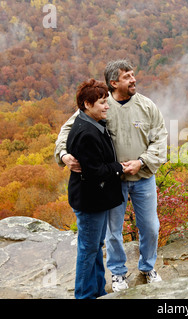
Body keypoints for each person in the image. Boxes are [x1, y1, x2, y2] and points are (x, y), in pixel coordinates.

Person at [55, 59, 168, 291]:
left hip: (143, 177)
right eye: (127, 77)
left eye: (133, 74)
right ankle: (118, 273)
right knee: (112, 231)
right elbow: (69, 129)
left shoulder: (147, 106)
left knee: (150, 227)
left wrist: (142, 161)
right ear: (114, 83)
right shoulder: (101, 105)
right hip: (112, 181)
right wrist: (63, 154)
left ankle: (148, 267)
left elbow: (161, 139)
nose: (134, 79)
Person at [67, 79, 125, 299]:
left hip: (97, 200)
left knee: (94, 247)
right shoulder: (86, 133)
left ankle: (97, 291)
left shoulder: (92, 124)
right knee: (88, 250)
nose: (106, 106)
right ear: (86, 104)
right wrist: (119, 167)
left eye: (106, 101)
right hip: (90, 201)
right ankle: (84, 295)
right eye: (102, 102)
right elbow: (95, 171)